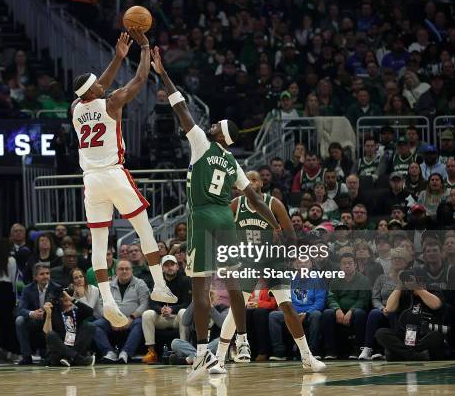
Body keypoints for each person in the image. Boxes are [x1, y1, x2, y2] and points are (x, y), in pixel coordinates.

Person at [151, 48, 280, 382]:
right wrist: (276, 223)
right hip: (226, 217)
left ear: (220, 135)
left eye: (214, 125)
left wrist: (163, 73)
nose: (207, 125)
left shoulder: (201, 144)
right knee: (234, 284)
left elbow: (180, 106)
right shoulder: (235, 164)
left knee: (200, 286)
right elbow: (256, 198)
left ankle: (201, 352)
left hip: (205, 216)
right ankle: (243, 340)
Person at [71, 29, 176, 328]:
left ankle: (108, 301)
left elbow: (96, 86)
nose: (102, 85)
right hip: (114, 174)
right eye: (96, 86)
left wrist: (117, 58)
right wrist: (143, 49)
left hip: (90, 182)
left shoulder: (75, 109)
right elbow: (140, 80)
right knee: (144, 230)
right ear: (92, 91)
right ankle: (158, 284)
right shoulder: (112, 102)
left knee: (99, 244)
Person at [214, 171, 325, 373]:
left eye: (255, 179)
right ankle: (219, 360)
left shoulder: (274, 204)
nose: (251, 182)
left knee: (287, 306)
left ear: (262, 183)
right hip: (248, 261)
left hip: (274, 260)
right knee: (236, 308)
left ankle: (307, 357)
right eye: (247, 180)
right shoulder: (235, 205)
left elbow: (291, 235)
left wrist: (284, 249)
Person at [92, 259, 149, 364]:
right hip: (111, 320)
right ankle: (109, 352)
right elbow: (101, 305)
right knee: (94, 326)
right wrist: (112, 320)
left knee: (140, 323)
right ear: (116, 271)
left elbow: (145, 304)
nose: (124, 271)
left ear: (132, 270)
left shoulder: (140, 284)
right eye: (121, 269)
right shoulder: (108, 286)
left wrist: (131, 318)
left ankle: (125, 353)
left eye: (127, 269)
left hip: (132, 320)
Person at [359, 247, 410, 360]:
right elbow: (375, 298)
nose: (396, 261)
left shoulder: (409, 278)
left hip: (401, 311)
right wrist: (382, 308)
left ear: (406, 262)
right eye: (394, 258)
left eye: (400, 258)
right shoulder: (382, 278)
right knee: (374, 313)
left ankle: (390, 349)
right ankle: (368, 348)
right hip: (384, 309)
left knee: (392, 312)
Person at [141, 255, 192, 363]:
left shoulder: (185, 280)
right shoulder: (157, 282)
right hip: (162, 317)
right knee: (147, 314)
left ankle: (183, 350)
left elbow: (187, 303)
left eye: (172, 264)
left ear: (177, 267)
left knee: (184, 312)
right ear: (162, 268)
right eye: (166, 265)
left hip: (176, 317)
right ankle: (151, 352)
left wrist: (172, 309)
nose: (170, 267)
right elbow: (152, 302)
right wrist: (160, 309)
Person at [321, 252, 371, 359]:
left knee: (359, 313)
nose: (347, 266)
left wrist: (351, 311)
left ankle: (357, 350)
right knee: (327, 313)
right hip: (340, 310)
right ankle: (330, 350)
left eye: (350, 263)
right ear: (340, 266)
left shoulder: (363, 280)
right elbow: (331, 297)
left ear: (355, 265)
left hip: (356, 310)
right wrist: (337, 309)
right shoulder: (335, 281)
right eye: (344, 263)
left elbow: (363, 299)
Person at [15, 263, 63, 365]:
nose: (46, 276)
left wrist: (47, 313)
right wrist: (32, 313)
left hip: (51, 320)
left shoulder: (57, 288)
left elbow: (60, 309)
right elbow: (20, 309)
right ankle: (26, 356)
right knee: (19, 320)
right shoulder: (27, 289)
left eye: (47, 273)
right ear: (35, 277)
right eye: (42, 274)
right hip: (35, 319)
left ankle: (50, 354)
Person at [42, 289, 96, 367]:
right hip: (59, 354)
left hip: (75, 348)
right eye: (64, 298)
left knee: (90, 326)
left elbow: (89, 311)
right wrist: (48, 314)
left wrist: (73, 300)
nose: (67, 300)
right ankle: (77, 358)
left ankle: (70, 358)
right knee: (50, 334)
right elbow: (47, 333)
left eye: (68, 297)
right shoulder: (53, 312)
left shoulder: (75, 312)